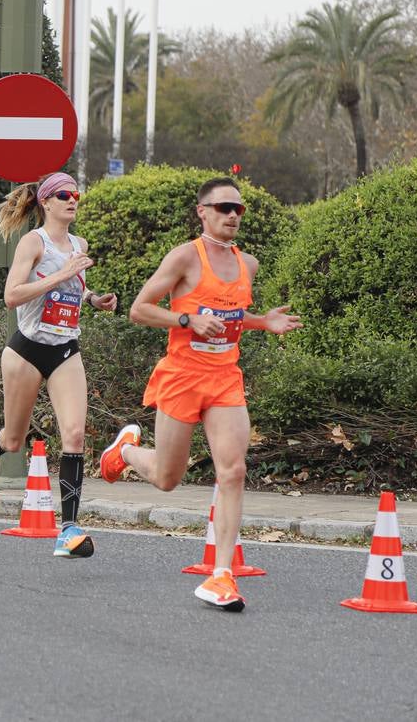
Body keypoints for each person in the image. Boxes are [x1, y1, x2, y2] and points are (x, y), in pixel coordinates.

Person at [99, 177, 301, 611]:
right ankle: (126, 451)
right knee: (167, 479)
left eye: (238, 209)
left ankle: (222, 575)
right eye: (224, 207)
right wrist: (186, 321)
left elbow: (231, 316)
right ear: (202, 212)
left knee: (234, 470)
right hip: (183, 376)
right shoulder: (185, 257)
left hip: (225, 378)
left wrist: (262, 322)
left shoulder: (248, 264)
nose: (233, 215)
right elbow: (139, 310)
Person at [0, 171, 119, 558]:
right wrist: (61, 273)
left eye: (76, 195)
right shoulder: (34, 242)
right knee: (13, 440)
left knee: (75, 435)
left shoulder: (79, 244)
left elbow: (74, 288)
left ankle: (68, 529)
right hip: (27, 351)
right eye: (64, 195)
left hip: (65, 348)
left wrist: (93, 298)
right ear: (46, 202)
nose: (73, 201)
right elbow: (12, 295)